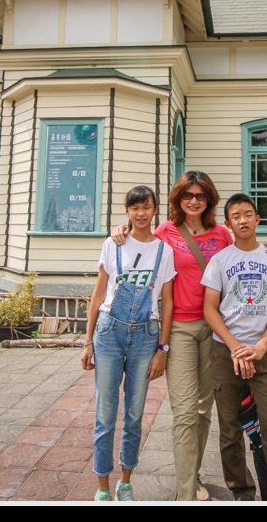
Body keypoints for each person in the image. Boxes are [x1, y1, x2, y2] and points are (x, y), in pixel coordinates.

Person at [111, 170, 267, 501]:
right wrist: (121, 230)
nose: (193, 200)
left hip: (215, 330)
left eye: (200, 195)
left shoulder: (221, 234)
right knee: (186, 411)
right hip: (178, 328)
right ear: (177, 199)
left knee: (205, 409)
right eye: (187, 195)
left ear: (209, 200)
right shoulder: (165, 231)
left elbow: (244, 255)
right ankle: (186, 493)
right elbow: (138, 240)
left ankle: (194, 473)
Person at [201, 192, 267, 501]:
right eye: (236, 216)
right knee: (230, 431)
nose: (243, 220)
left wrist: (260, 346)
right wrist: (234, 347)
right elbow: (210, 309)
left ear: (258, 219)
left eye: (248, 214)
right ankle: (242, 493)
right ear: (227, 223)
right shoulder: (220, 260)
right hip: (224, 353)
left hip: (262, 355)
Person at [83, 186, 176, 501]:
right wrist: (87, 341)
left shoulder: (164, 251)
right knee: (105, 414)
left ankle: (125, 484)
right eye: (135, 207)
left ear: (154, 211)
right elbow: (98, 294)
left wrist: (162, 349)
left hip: (145, 337)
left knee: (134, 414)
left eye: (146, 207)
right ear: (127, 211)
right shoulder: (113, 243)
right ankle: (102, 490)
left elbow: (167, 302)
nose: (140, 213)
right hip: (109, 333)